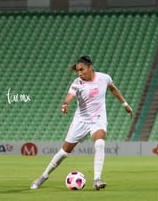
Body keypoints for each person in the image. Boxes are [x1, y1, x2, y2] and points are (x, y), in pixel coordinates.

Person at [30, 55, 133, 190]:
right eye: (78, 70)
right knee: (64, 152)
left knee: (100, 142)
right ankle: (44, 176)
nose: (79, 73)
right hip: (81, 120)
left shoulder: (104, 78)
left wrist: (125, 104)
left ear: (90, 68)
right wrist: (65, 104)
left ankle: (97, 179)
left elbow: (113, 88)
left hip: (98, 119)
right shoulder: (77, 82)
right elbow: (70, 96)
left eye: (82, 70)